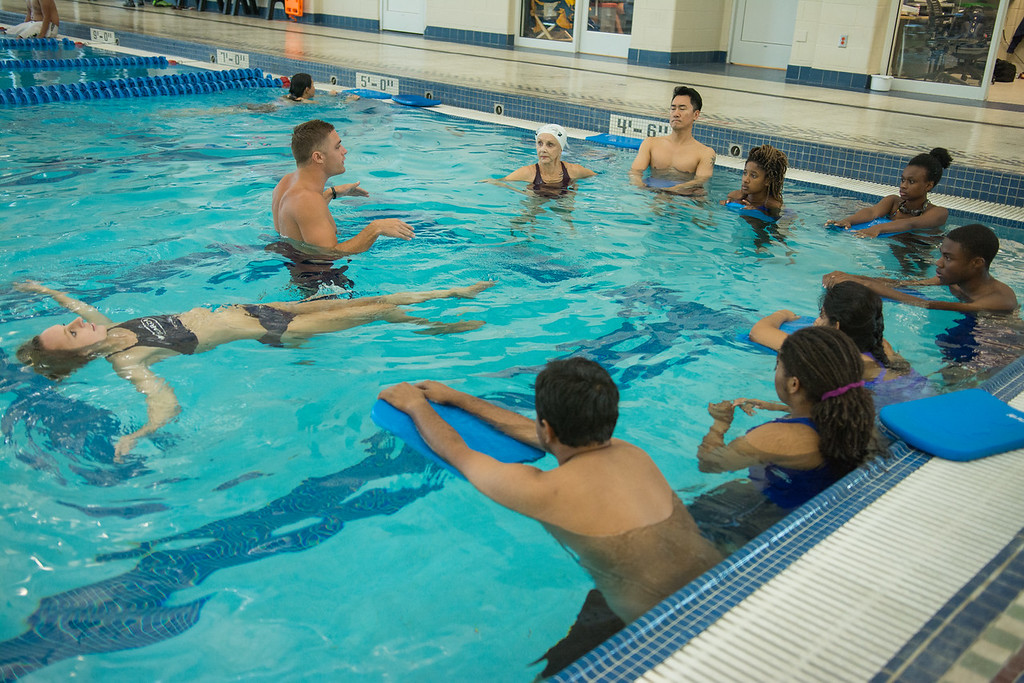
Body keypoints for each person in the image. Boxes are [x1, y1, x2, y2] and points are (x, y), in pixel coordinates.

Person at [378, 358, 721, 676]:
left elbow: (457, 452)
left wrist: (415, 405)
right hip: (723, 590)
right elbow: (535, 432)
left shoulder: (543, 492)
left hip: (663, 637)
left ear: (550, 428)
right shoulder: (632, 453)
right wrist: (458, 398)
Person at [15, 280, 494, 458]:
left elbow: (78, 303)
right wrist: (139, 436)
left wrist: (44, 292)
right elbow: (162, 400)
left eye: (71, 323)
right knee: (378, 310)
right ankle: (445, 316)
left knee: (368, 301)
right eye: (73, 332)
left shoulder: (110, 328)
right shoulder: (127, 360)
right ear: (82, 355)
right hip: (272, 332)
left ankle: (445, 302)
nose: (79, 321)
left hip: (255, 308)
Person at [692, 327, 876, 551]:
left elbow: (710, 463)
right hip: (815, 508)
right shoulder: (855, 419)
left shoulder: (776, 437)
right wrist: (776, 406)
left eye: (778, 365)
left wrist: (720, 423)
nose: (776, 370)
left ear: (794, 384)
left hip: (773, 525)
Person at [750, 281, 932, 409]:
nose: (815, 322)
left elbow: (759, 332)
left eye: (821, 316)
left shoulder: (830, 355)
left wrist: (783, 314)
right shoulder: (882, 344)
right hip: (927, 397)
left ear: (836, 327)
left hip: (895, 417)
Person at [271, 119, 414, 253]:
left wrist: (330, 193)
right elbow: (330, 254)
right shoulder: (307, 200)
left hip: (295, 264)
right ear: (318, 157)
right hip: (315, 277)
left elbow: (296, 230)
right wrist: (376, 228)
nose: (344, 151)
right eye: (337, 146)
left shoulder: (286, 182)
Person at [823, 224, 1018, 314]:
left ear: (976, 263)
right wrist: (852, 276)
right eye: (941, 255)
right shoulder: (957, 283)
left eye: (948, 258)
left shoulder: (1000, 299)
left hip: (996, 339)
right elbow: (906, 284)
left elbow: (928, 304)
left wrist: (864, 284)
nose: (938, 263)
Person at [825, 148, 953, 237]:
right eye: (902, 180)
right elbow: (872, 212)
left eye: (911, 182)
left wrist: (877, 228)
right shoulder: (893, 202)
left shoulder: (938, 212)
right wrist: (848, 220)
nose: (903, 186)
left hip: (917, 253)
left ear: (928, 185)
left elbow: (911, 223)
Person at [629, 86, 716, 195]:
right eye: (673, 108)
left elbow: (700, 181)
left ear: (696, 114)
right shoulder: (650, 143)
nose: (676, 113)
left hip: (683, 198)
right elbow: (635, 172)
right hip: (651, 193)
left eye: (682, 108)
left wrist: (670, 191)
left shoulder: (705, 153)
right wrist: (640, 186)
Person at [499, 124, 595, 197]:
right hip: (536, 196)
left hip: (563, 195)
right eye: (540, 143)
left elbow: (597, 176)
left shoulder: (573, 171)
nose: (543, 149)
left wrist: (575, 183)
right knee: (524, 217)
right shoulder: (527, 172)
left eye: (550, 145)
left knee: (568, 218)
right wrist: (522, 192)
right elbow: (497, 182)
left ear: (560, 149)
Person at [721, 144, 788, 216]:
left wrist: (755, 214)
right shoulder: (734, 196)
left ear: (767, 180)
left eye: (753, 176)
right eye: (745, 173)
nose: (745, 180)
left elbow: (774, 225)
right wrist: (725, 204)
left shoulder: (773, 206)